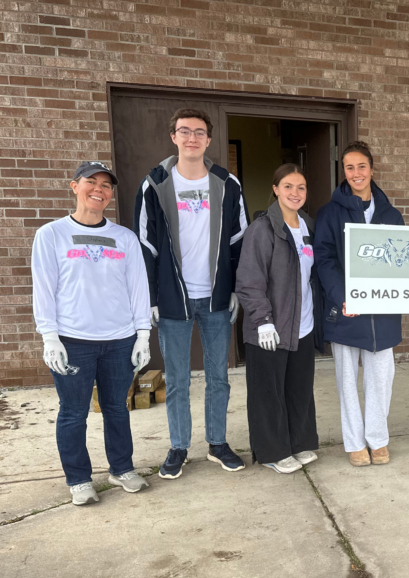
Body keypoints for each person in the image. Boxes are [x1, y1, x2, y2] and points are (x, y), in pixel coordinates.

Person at [135, 108, 248, 479]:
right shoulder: (155, 183)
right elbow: (145, 245)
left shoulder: (227, 183)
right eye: (185, 131)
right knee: (179, 380)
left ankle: (217, 443)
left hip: (216, 298)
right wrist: (151, 298)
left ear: (208, 139)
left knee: (219, 376)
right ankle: (179, 447)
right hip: (173, 299)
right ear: (173, 136)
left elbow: (238, 240)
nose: (192, 138)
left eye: (199, 132)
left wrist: (235, 289)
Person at [32, 162, 152, 506]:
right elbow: (44, 289)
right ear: (74, 186)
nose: (99, 189)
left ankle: (121, 468)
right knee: (74, 412)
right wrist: (49, 336)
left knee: (117, 408)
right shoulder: (51, 234)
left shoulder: (124, 238)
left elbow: (137, 289)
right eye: (91, 182)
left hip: (119, 340)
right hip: (73, 340)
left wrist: (142, 334)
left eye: (106, 185)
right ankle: (79, 479)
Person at [315, 142, 402, 467]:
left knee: (381, 380)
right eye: (349, 168)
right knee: (347, 382)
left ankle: (377, 439)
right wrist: (341, 296)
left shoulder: (390, 215)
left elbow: (400, 261)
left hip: (383, 313)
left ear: (372, 169)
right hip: (346, 311)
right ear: (344, 172)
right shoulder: (329, 213)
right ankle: (354, 442)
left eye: (361, 166)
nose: (356, 174)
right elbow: (324, 260)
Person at [235, 164, 324, 474]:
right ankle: (272, 451)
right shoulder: (263, 229)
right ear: (275, 189)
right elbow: (248, 281)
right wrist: (263, 320)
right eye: (288, 186)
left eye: (300, 187)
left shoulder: (310, 226)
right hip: (270, 327)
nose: (294, 193)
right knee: (267, 392)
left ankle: (298, 443)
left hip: (303, 323)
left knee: (298, 388)